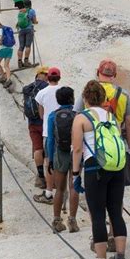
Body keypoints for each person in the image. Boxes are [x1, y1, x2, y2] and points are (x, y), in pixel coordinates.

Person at [74, 59, 130, 252]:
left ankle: (99, 244)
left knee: (97, 209)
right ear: (114, 74)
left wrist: (76, 173)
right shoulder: (122, 95)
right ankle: (119, 250)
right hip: (118, 153)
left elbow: (77, 144)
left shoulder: (83, 105)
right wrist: (129, 149)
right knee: (116, 207)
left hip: (94, 158)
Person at [46, 87, 80, 233]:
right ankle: (72, 220)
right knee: (74, 187)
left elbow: (50, 140)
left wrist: (50, 159)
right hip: (74, 153)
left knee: (59, 188)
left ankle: (56, 220)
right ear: (72, 99)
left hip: (59, 153)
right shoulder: (77, 116)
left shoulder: (53, 116)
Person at [34, 67, 62, 204]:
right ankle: (62, 193)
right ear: (59, 78)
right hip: (64, 132)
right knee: (62, 162)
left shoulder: (42, 93)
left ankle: (49, 193)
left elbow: (41, 114)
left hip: (48, 132)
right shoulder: (64, 90)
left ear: (48, 78)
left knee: (49, 162)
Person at [23, 67, 49, 189]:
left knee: (37, 149)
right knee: (48, 151)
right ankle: (51, 179)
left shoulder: (27, 88)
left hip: (32, 123)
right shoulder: (47, 88)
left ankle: (40, 177)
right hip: (44, 123)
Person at [0, 20, 14, 88]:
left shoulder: (0, 30)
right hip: (10, 48)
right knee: (6, 65)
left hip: (3, 49)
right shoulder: (7, 28)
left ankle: (3, 76)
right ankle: (8, 79)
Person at [16, 2, 37, 68]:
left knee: (21, 46)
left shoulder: (21, 11)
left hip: (21, 31)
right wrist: (36, 22)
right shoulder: (31, 11)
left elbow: (18, 23)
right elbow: (34, 21)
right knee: (28, 46)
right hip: (29, 30)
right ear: (30, 4)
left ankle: (19, 62)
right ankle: (26, 61)